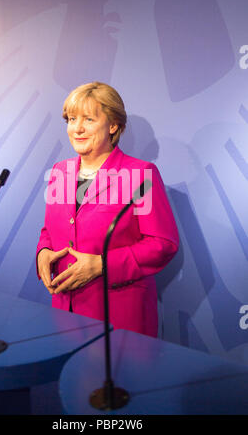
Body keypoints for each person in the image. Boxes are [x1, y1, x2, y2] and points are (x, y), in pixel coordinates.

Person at [36, 81, 179, 337]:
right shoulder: (60, 172)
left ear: (113, 125)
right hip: (64, 312)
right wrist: (43, 252)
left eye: (88, 119)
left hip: (119, 316)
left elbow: (162, 243)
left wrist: (103, 264)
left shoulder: (140, 175)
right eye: (71, 119)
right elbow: (50, 230)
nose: (77, 129)